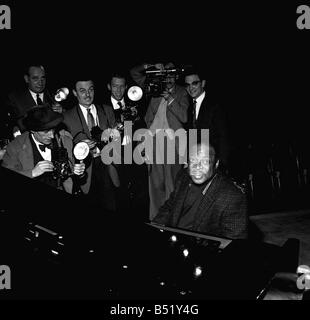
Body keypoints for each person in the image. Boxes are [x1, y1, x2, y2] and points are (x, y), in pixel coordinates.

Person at [130, 62, 190, 220]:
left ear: (176, 76)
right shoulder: (153, 87)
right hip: (153, 142)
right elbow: (134, 73)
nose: (168, 78)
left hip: (172, 143)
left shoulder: (182, 92)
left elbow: (184, 117)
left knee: (172, 186)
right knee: (155, 186)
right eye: (165, 74)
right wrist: (150, 66)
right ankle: (156, 221)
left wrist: (170, 98)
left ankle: (173, 222)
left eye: (171, 74)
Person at [152, 142, 248, 240]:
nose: (197, 167)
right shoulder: (183, 177)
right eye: (193, 160)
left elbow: (234, 242)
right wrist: (154, 229)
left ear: (216, 164)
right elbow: (169, 207)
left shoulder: (232, 197)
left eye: (205, 161)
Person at [63, 76, 120, 212]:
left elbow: (118, 142)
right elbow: (66, 149)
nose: (87, 95)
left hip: (108, 168)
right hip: (85, 171)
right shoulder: (67, 117)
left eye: (91, 90)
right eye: (82, 91)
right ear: (74, 93)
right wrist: (80, 147)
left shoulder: (107, 110)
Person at [1, 105, 85, 193]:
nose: (52, 135)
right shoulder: (15, 147)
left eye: (53, 129)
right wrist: (32, 173)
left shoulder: (65, 141)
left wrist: (79, 173)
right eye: (46, 132)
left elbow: (74, 175)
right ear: (33, 130)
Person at [184, 67, 230, 170]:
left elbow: (223, 136)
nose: (191, 88)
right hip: (199, 163)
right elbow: (193, 135)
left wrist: (221, 164)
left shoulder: (215, 104)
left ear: (203, 83)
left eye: (194, 83)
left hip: (214, 163)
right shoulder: (190, 107)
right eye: (187, 85)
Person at [5, 64, 63, 135]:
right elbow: (11, 125)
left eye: (43, 78)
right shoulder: (15, 98)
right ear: (27, 79)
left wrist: (61, 112)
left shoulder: (54, 95)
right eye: (35, 78)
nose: (40, 82)